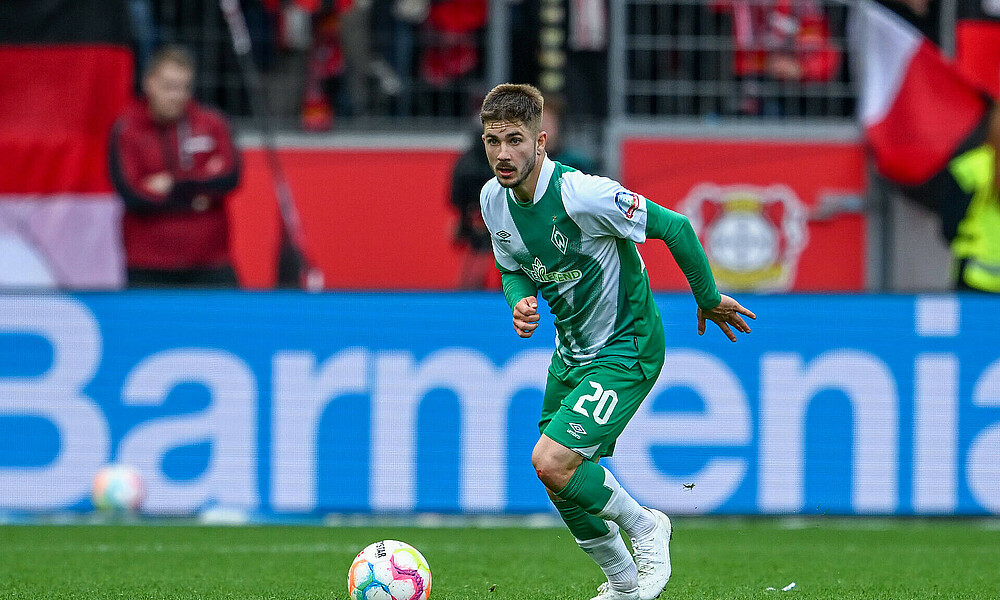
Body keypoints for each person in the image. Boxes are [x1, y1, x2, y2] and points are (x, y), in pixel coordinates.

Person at [478, 83, 755, 600]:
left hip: (627, 345)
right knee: (555, 475)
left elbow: (675, 226)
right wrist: (518, 299)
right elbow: (510, 263)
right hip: (571, 355)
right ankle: (623, 582)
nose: (503, 154)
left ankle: (648, 526)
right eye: (493, 141)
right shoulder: (493, 200)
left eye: (514, 140)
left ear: (540, 141)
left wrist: (708, 297)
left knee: (552, 460)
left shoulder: (582, 194)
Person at [109, 44, 241, 287]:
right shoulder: (127, 130)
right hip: (148, 265)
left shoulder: (212, 124)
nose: (177, 96)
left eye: (184, 87)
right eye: (169, 86)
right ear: (149, 83)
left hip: (210, 262)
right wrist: (196, 197)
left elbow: (229, 178)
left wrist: (172, 184)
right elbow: (133, 195)